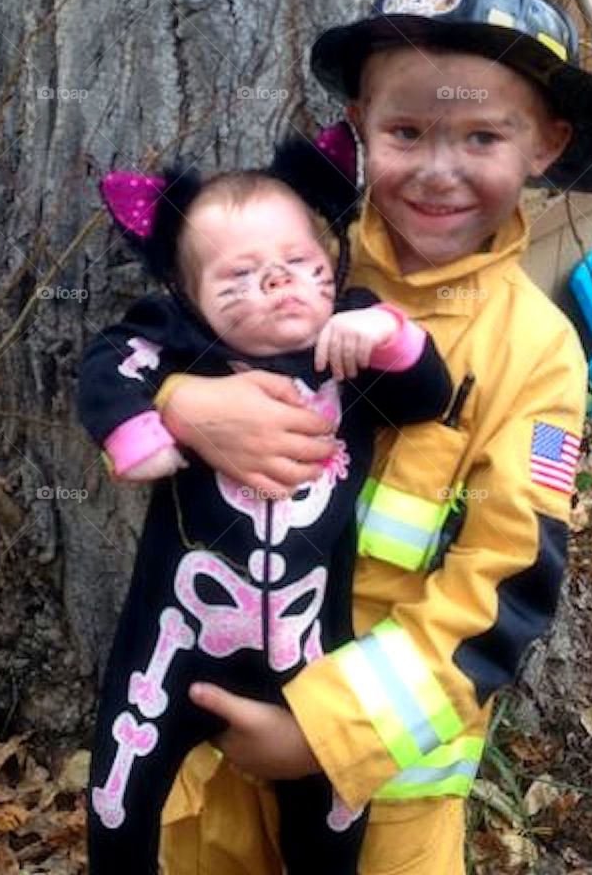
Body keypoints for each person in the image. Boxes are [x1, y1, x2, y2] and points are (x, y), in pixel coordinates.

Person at [150, 0, 592, 875]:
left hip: (384, 792)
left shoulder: (535, 353)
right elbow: (152, 344)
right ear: (359, 127)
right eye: (407, 133)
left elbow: (503, 588)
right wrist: (183, 405)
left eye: (483, 137)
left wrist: (322, 732)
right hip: (214, 753)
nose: (437, 170)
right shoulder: (292, 258)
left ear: (546, 144)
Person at [77, 128, 453, 874]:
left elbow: (427, 395)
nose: (280, 285)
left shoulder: (349, 338)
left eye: (302, 265)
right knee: (119, 798)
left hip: (311, 651)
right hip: (174, 639)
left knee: (332, 820)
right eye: (239, 278)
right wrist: (145, 421)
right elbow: (109, 361)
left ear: (331, 263)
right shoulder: (179, 342)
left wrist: (387, 334)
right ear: (188, 298)